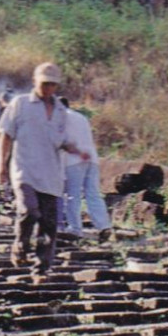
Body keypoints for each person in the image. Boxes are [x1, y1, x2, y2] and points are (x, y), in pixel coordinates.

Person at [0, 62, 88, 283]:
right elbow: (4, 136)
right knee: (29, 210)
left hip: (51, 174)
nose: (48, 89)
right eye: (44, 84)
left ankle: (41, 270)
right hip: (24, 169)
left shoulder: (60, 111)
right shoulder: (20, 104)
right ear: (35, 81)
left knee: (49, 224)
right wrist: (1, 166)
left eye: (52, 85)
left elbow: (63, 139)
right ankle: (20, 246)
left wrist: (77, 150)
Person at [61, 99, 112, 240]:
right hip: (91, 158)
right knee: (93, 194)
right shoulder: (81, 117)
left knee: (73, 195)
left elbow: (61, 140)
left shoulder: (60, 116)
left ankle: (75, 228)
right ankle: (103, 225)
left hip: (74, 159)